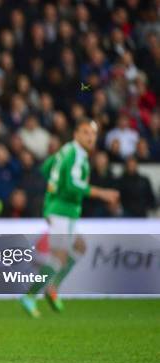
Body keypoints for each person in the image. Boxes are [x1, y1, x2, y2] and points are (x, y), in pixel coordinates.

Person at [20, 120, 119, 318]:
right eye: (85, 132)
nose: (90, 137)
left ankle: (52, 287)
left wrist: (51, 195)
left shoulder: (67, 151)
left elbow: (47, 168)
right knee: (59, 256)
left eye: (93, 133)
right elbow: (72, 184)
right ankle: (30, 296)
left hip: (60, 209)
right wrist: (101, 193)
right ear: (76, 134)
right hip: (61, 211)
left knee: (80, 246)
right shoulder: (75, 155)